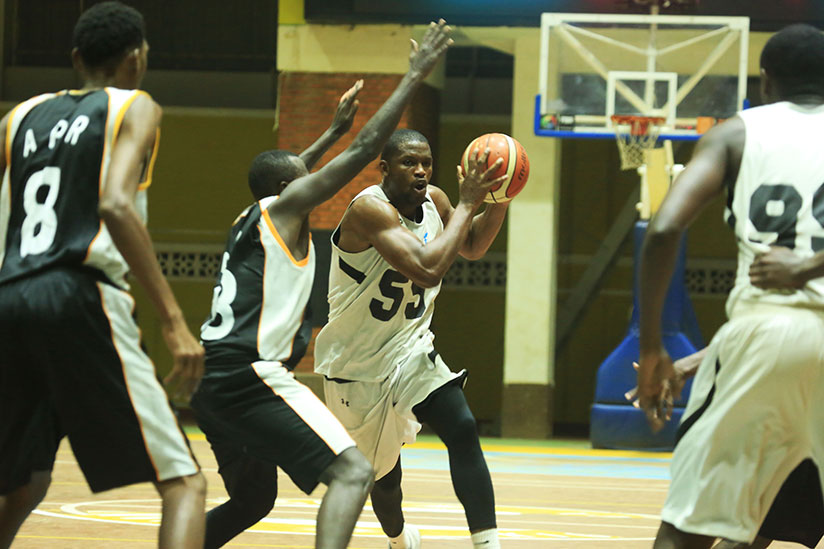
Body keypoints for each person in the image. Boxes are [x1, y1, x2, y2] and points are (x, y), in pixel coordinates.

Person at [189, 20, 454, 549]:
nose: (314, 180)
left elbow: (289, 171)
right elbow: (363, 151)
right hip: (250, 376)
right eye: (305, 178)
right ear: (291, 189)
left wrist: (332, 132)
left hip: (210, 381)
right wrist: (413, 77)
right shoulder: (285, 209)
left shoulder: (253, 215)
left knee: (252, 501)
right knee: (354, 473)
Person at [0, 2, 206, 548]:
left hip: (10, 298)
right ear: (136, 58)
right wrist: (173, 320)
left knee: (22, 486)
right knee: (185, 483)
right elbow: (115, 204)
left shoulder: (17, 118)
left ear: (76, 58)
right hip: (78, 292)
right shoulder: (135, 106)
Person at [637, 23, 824, 549]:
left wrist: (652, 349)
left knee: (690, 528)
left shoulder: (735, 133)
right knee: (759, 520)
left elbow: (664, 230)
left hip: (766, 336)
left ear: (765, 81)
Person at [313, 128, 510, 549]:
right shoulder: (369, 210)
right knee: (384, 482)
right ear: (385, 168)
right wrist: (470, 203)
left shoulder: (436, 201)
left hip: (410, 347)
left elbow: (471, 244)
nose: (421, 171)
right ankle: (400, 539)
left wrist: (500, 198)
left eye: (426, 163)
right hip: (356, 367)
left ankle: (487, 543)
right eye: (409, 163)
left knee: (462, 426)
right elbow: (427, 269)